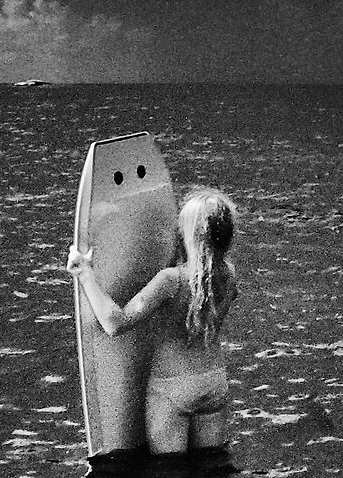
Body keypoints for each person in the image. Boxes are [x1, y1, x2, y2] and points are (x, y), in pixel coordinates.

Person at [67, 186, 240, 455]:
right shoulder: (228, 275)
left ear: (188, 235)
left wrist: (85, 273)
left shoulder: (171, 281)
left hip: (173, 387)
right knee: (209, 470)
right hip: (214, 383)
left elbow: (115, 323)